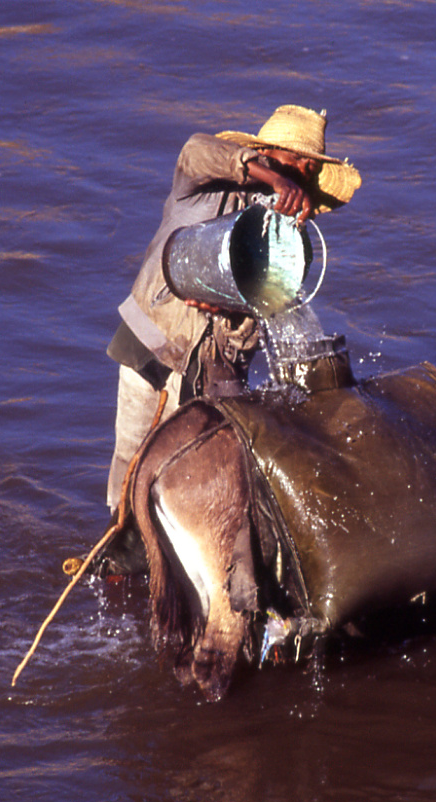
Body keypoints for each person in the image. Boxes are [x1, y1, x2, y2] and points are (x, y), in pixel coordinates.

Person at [104, 104, 361, 511]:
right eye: (295, 160)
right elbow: (194, 149)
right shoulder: (202, 185)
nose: (301, 173)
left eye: (308, 169)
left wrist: (227, 313)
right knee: (130, 472)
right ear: (266, 154)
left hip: (207, 372)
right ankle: (118, 562)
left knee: (184, 490)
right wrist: (272, 178)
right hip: (149, 343)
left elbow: (259, 322)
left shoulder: (286, 241)